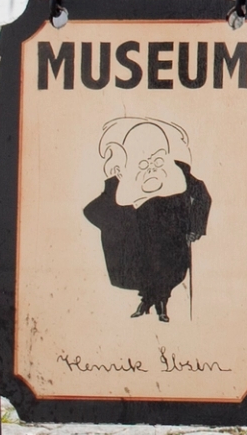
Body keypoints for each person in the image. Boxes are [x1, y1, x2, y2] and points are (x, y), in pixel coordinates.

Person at [83, 119, 210, 322]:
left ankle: (159, 305)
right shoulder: (122, 177)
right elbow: (94, 209)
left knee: (168, 269)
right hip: (141, 238)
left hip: (172, 236)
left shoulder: (178, 172)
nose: (150, 166)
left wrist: (195, 226)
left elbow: (202, 195)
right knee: (144, 267)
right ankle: (148, 301)